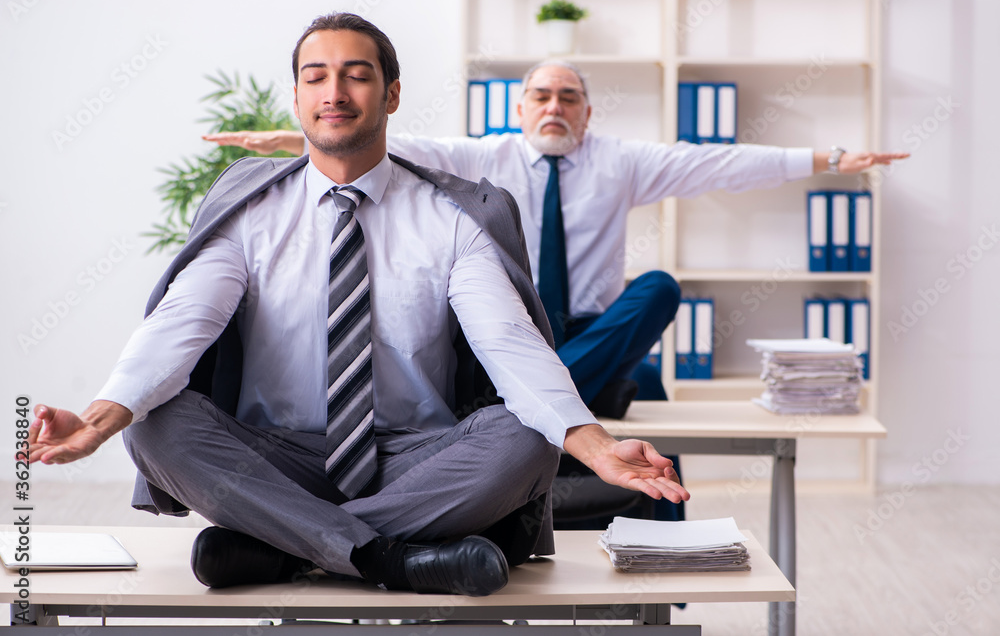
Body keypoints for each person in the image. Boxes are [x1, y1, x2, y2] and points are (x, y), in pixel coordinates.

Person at [28, 13, 689, 597]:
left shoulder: (451, 214)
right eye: (315, 76)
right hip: (277, 455)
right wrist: (97, 419)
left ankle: (280, 548)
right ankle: (390, 558)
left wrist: (595, 444)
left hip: (416, 458)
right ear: (296, 97)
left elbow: (509, 341)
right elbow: (182, 320)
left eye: (356, 75)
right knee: (153, 425)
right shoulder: (252, 212)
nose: (334, 93)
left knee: (526, 439)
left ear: (392, 93)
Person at [206, 66, 908, 422]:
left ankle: (544, 396)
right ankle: (548, 388)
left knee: (660, 287)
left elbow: (717, 162)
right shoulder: (486, 156)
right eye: (540, 95)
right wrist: (297, 141)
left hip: (591, 329)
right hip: (511, 330)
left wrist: (833, 158)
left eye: (568, 97)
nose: (553, 107)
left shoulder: (621, 161)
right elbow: (395, 144)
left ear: (587, 112)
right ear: (520, 110)